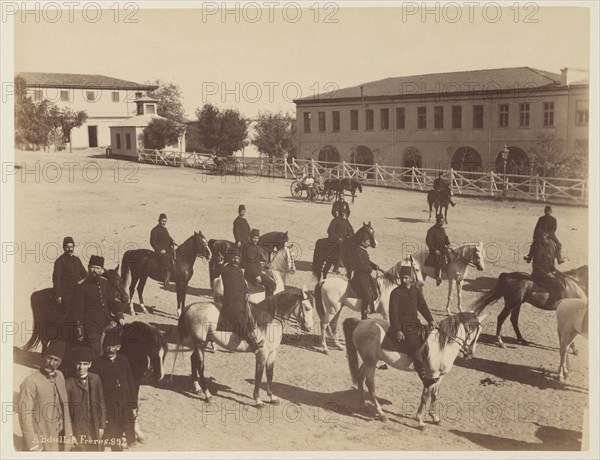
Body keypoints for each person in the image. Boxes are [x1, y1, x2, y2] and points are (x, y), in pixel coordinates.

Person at [19, 341, 73, 452]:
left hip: (61, 436)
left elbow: (65, 408)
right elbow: (24, 415)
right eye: (49, 358)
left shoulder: (60, 376)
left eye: (56, 360)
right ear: (43, 357)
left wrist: (69, 433)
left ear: (60, 362)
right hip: (42, 439)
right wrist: (32, 444)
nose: (51, 363)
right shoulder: (30, 382)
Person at [90, 326, 137, 451]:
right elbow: (94, 388)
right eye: (107, 346)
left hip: (125, 403)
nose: (110, 349)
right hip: (108, 405)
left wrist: (134, 405)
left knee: (121, 434)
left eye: (114, 346)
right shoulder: (97, 363)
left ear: (119, 347)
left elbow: (131, 383)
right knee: (108, 435)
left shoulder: (124, 360)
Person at [71, 255, 125, 359]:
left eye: (98, 268)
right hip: (90, 324)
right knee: (96, 351)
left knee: (117, 343)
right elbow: (77, 310)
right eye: (93, 267)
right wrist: (80, 329)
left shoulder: (105, 282)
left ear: (101, 270)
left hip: (106, 320)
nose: (95, 270)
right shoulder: (81, 285)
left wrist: (119, 315)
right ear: (88, 268)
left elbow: (112, 301)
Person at [388, 266, 435, 382]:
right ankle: (423, 376)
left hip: (415, 323)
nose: (403, 280)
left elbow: (422, 306)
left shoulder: (415, 290)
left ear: (411, 278)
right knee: (415, 345)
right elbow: (393, 314)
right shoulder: (395, 293)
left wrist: (430, 320)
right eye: (402, 278)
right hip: (404, 326)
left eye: (406, 278)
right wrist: (398, 330)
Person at [217, 251, 264, 352]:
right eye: (233, 258)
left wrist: (246, 292)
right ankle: (252, 344)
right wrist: (220, 264)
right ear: (229, 259)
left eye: (237, 258)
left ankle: (252, 336)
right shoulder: (226, 269)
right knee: (240, 320)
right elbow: (219, 271)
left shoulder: (239, 270)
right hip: (231, 302)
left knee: (250, 317)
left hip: (242, 301)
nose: (235, 260)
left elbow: (244, 284)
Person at [65, 347, 105, 451]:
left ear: (90, 364)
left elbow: (101, 402)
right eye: (79, 363)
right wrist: (70, 433)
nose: (81, 367)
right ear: (75, 364)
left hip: (94, 425)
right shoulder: (69, 383)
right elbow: (66, 411)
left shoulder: (95, 379)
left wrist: (102, 425)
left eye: (85, 364)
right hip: (78, 427)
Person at [527, 229, 564, 307]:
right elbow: (536, 265)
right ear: (540, 239)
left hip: (546, 271)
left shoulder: (547, 248)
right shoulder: (538, 249)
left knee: (561, 279)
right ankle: (551, 302)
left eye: (546, 238)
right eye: (544, 238)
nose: (546, 240)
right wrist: (547, 274)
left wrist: (554, 269)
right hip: (539, 274)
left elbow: (547, 263)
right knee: (557, 284)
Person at [53, 236, 87, 316]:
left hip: (78, 292)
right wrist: (58, 295)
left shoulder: (77, 260)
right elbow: (56, 279)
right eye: (67, 247)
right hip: (66, 294)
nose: (70, 249)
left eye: (71, 247)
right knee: (69, 314)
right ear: (63, 248)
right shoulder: (59, 261)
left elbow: (84, 274)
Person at [350, 233, 380, 320]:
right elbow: (361, 266)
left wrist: (375, 266)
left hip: (366, 276)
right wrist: (370, 269)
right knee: (367, 295)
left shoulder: (362, 250)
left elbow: (367, 261)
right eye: (367, 242)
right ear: (362, 242)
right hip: (360, 277)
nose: (369, 243)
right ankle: (364, 314)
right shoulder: (358, 251)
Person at [241, 229, 277, 298]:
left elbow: (257, 260)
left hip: (256, 270)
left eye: (257, 238)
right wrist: (257, 275)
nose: (256, 240)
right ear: (250, 238)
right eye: (254, 238)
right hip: (252, 273)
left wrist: (265, 264)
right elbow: (250, 264)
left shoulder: (254, 246)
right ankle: (268, 302)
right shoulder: (250, 248)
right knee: (271, 284)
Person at [150, 213, 175, 287]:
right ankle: (165, 278)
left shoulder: (165, 229)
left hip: (168, 250)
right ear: (159, 220)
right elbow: (153, 242)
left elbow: (168, 238)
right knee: (166, 258)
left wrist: (172, 240)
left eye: (165, 221)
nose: (164, 222)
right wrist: (160, 250)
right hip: (160, 252)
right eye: (162, 221)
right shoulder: (155, 230)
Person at [426, 214, 451, 286]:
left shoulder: (442, 229)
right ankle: (438, 277)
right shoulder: (431, 230)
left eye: (443, 221)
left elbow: (445, 237)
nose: (442, 223)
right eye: (441, 221)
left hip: (443, 248)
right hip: (435, 250)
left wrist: (448, 243)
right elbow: (428, 241)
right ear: (437, 221)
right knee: (439, 261)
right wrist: (434, 250)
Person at [327, 210, 354, 275]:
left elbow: (350, 229)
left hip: (344, 240)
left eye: (344, 212)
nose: (344, 213)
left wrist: (351, 236)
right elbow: (329, 231)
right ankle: (335, 267)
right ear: (339, 213)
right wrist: (337, 238)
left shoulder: (346, 220)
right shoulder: (335, 220)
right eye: (342, 212)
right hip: (335, 240)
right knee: (339, 252)